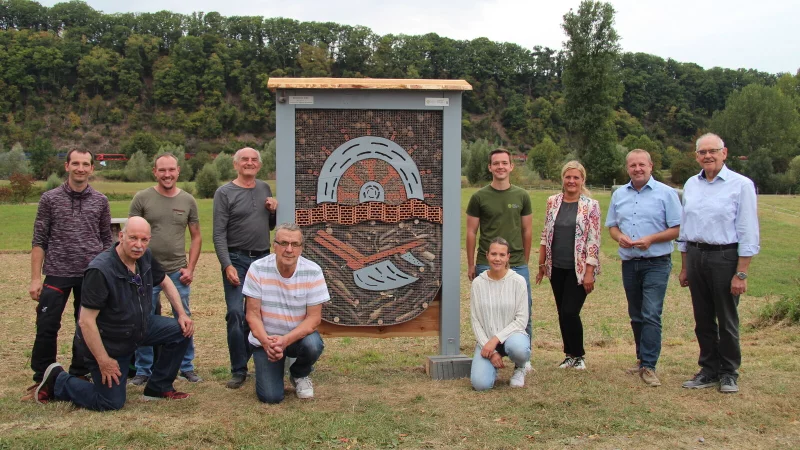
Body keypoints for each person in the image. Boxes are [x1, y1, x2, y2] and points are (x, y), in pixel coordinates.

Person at [33, 217, 195, 410]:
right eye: (133, 238)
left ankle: (159, 387)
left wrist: (182, 314)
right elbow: (86, 322)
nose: (138, 245)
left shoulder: (145, 256)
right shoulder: (100, 270)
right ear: (121, 236)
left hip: (138, 327)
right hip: (110, 341)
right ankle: (58, 380)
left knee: (181, 330)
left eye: (144, 240)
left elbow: (165, 280)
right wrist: (104, 360)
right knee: (110, 402)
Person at [678, 133, 759, 394]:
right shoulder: (691, 184)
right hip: (696, 255)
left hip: (725, 257)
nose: (708, 156)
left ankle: (728, 372)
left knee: (726, 318)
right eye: (702, 152)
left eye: (713, 151)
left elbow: (747, 229)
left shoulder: (741, 185)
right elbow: (686, 226)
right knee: (702, 319)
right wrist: (684, 264)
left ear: (724, 153)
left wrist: (741, 273)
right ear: (697, 156)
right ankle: (708, 369)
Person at [28, 149, 112, 387]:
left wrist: (106, 275)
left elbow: (107, 241)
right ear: (66, 166)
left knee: (85, 325)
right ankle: (43, 376)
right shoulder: (49, 199)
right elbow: (39, 240)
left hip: (90, 275)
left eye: (85, 164)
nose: (80, 168)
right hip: (57, 272)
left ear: (92, 168)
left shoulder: (101, 201)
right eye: (75, 163)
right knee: (46, 325)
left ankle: (79, 373)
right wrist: (36, 278)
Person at [606, 150, 681, 387]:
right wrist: (620, 238)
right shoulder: (619, 194)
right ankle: (641, 359)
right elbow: (612, 227)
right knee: (636, 315)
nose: (637, 169)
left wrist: (651, 239)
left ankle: (650, 365)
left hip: (656, 262)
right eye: (632, 165)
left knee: (651, 313)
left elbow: (678, 229)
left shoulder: (667, 194)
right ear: (627, 168)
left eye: (641, 165)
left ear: (651, 166)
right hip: (630, 262)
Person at [128, 153, 203, 385]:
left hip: (177, 271)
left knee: (184, 316)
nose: (167, 174)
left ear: (178, 171)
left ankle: (186, 366)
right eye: (162, 170)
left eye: (171, 170)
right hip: (145, 271)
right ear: (155, 172)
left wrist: (190, 268)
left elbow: (197, 236)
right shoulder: (142, 198)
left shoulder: (188, 200)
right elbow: (131, 235)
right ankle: (143, 369)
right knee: (144, 318)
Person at [214, 147, 278, 389]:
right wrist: (227, 264)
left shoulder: (264, 188)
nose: (249, 163)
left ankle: (257, 359)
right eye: (244, 160)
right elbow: (218, 233)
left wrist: (274, 211)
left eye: (254, 160)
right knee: (236, 313)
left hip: (262, 260)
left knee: (260, 314)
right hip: (236, 259)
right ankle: (238, 369)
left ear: (259, 165)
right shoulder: (224, 193)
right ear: (235, 164)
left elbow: (270, 226)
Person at [243, 223, 329, 403]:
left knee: (313, 344)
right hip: (266, 340)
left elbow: (314, 319)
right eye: (283, 243)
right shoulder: (257, 269)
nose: (289, 249)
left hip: (296, 339)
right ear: (274, 245)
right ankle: (272, 370)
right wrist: (267, 342)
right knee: (271, 397)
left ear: (301, 248)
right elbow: (252, 315)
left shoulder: (313, 271)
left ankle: (299, 373)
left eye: (295, 244)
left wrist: (285, 341)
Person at [466, 148, 533, 372]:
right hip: (487, 261)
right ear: (490, 167)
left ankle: (522, 360)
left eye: (505, 163)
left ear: (511, 166)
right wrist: (470, 264)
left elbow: (527, 230)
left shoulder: (522, 196)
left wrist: (523, 260)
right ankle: (490, 351)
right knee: (487, 311)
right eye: (496, 163)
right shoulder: (479, 197)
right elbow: (471, 232)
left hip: (516, 262)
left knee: (525, 312)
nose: (501, 167)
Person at [536, 161, 601, 370]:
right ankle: (569, 355)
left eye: (576, 178)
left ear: (582, 180)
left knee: (570, 311)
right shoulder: (552, 202)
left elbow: (594, 239)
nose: (571, 181)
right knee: (561, 312)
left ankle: (579, 355)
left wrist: (590, 271)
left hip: (579, 269)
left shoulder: (590, 205)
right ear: (562, 179)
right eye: (568, 177)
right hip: (557, 267)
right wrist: (542, 263)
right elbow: (546, 233)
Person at [469, 238, 531, 391]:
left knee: (519, 349)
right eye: (494, 254)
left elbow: (521, 320)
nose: (497, 259)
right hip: (487, 341)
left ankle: (520, 367)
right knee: (480, 385)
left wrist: (496, 339)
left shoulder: (518, 281)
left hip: (513, 337)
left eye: (502, 255)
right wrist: (491, 350)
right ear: (487, 255)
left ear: (508, 257)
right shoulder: (477, 283)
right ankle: (491, 367)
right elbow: (475, 320)